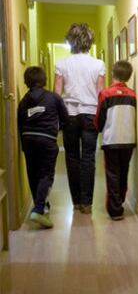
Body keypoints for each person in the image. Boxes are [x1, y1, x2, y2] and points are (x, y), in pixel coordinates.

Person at [54, 23, 105, 214]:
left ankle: (75, 201)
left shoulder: (62, 63)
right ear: (89, 41)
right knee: (89, 158)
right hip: (91, 113)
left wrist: (57, 119)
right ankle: (87, 203)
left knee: (72, 157)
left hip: (69, 114)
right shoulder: (98, 64)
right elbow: (101, 94)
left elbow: (57, 94)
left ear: (70, 41)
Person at [18, 66, 69, 228]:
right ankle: (39, 209)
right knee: (46, 175)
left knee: (33, 174)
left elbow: (20, 124)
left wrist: (23, 145)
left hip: (27, 139)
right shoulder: (53, 98)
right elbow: (65, 119)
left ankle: (42, 207)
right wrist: (55, 130)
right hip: (47, 139)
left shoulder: (23, 101)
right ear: (44, 80)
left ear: (27, 82)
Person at [94, 61, 136, 220]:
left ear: (113, 74)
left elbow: (99, 118)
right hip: (129, 139)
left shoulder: (105, 94)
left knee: (112, 173)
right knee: (124, 171)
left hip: (111, 140)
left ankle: (115, 209)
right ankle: (120, 202)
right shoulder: (133, 94)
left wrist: (97, 128)